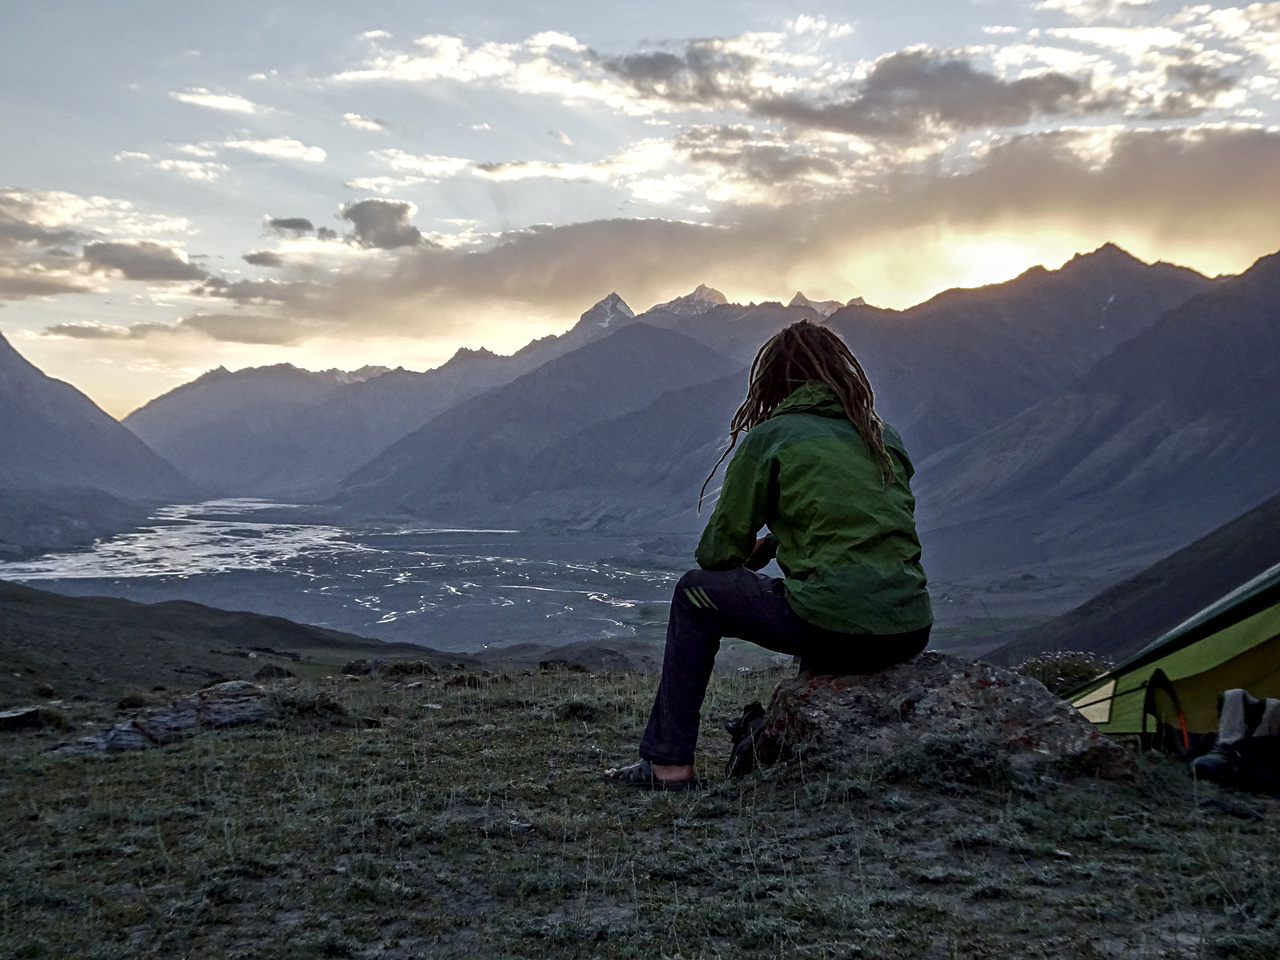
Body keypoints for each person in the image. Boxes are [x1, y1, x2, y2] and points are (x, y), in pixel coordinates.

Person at [604, 318, 932, 790]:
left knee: (695, 595)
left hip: (833, 622)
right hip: (909, 628)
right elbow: (862, 522)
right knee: (827, 597)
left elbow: (717, 552)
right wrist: (786, 538)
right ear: (843, 374)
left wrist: (755, 553)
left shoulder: (772, 438)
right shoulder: (884, 436)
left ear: (772, 383)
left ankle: (667, 765)